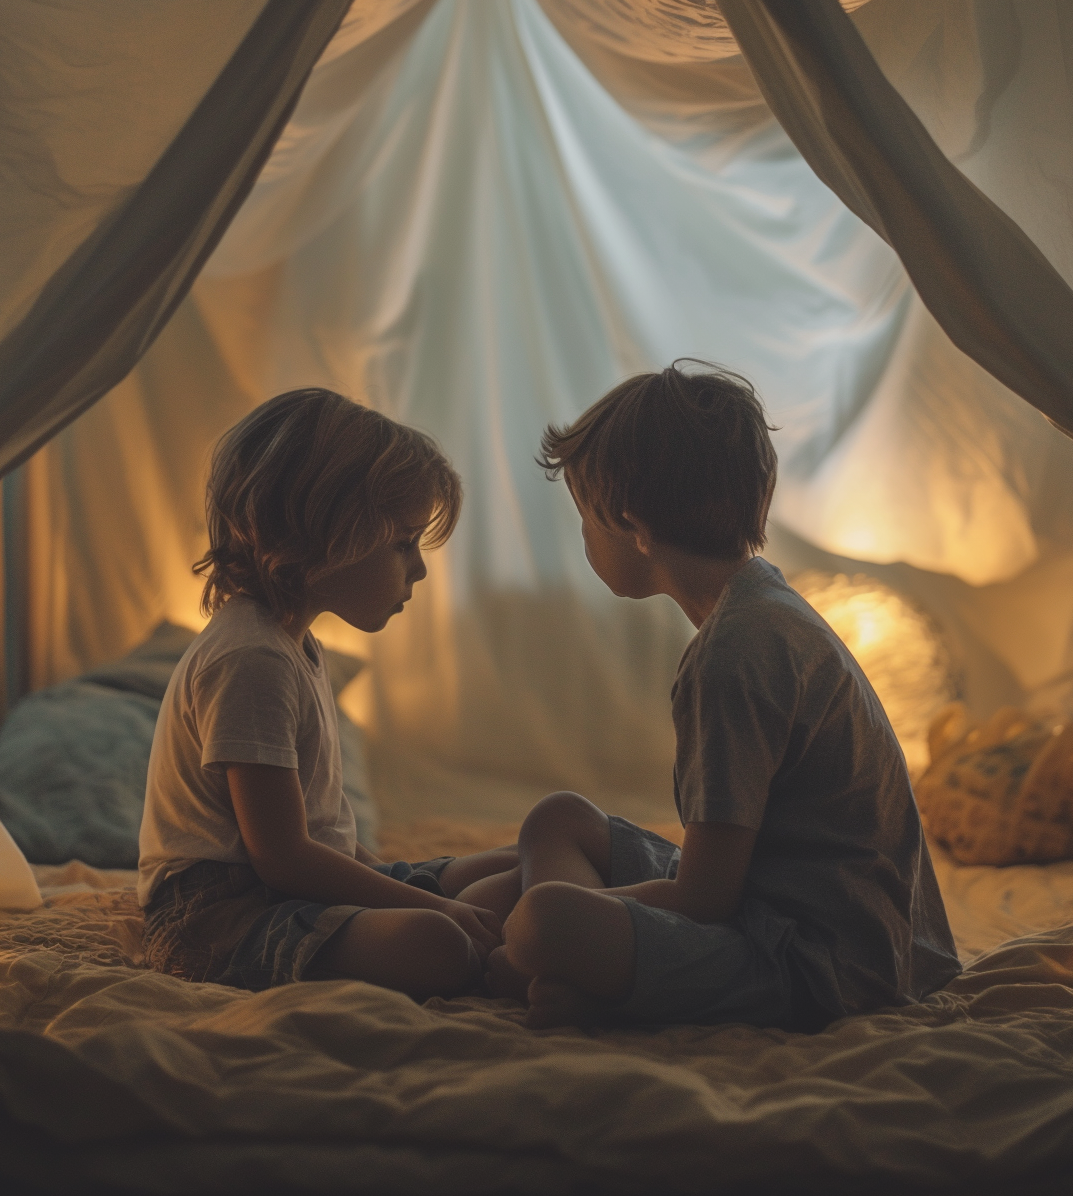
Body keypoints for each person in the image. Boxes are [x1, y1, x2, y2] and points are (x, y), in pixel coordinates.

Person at [490, 361, 959, 1031]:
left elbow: (706, 898)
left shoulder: (733, 658)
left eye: (587, 520)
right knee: (556, 821)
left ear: (634, 527)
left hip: (822, 960)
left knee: (540, 921)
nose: (585, 540)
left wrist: (574, 923)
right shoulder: (764, 604)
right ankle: (577, 962)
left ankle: (572, 963)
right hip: (779, 901)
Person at [138, 388, 517, 1001]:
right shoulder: (251, 660)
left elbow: (316, 832)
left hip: (289, 887)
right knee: (439, 944)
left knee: (511, 870)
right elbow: (283, 857)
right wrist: (436, 911)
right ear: (322, 533)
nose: (417, 570)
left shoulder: (293, 646)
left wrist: (403, 887)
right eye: (402, 543)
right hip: (220, 917)